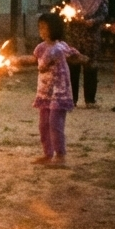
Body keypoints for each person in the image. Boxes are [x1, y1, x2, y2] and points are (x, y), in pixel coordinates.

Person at [17, 12, 85, 168]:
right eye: (39, 27)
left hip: (59, 91)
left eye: (44, 27)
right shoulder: (40, 47)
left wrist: (83, 58)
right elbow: (34, 60)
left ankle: (60, 155)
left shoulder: (60, 48)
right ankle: (48, 153)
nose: (41, 30)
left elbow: (72, 55)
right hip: (45, 92)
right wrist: (17, 59)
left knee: (55, 123)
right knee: (43, 125)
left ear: (53, 28)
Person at [64, 0, 108, 107]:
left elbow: (103, 15)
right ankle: (72, 99)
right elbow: (64, 11)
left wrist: (93, 21)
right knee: (73, 68)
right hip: (75, 37)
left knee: (90, 67)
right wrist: (74, 18)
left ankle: (90, 100)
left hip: (91, 38)